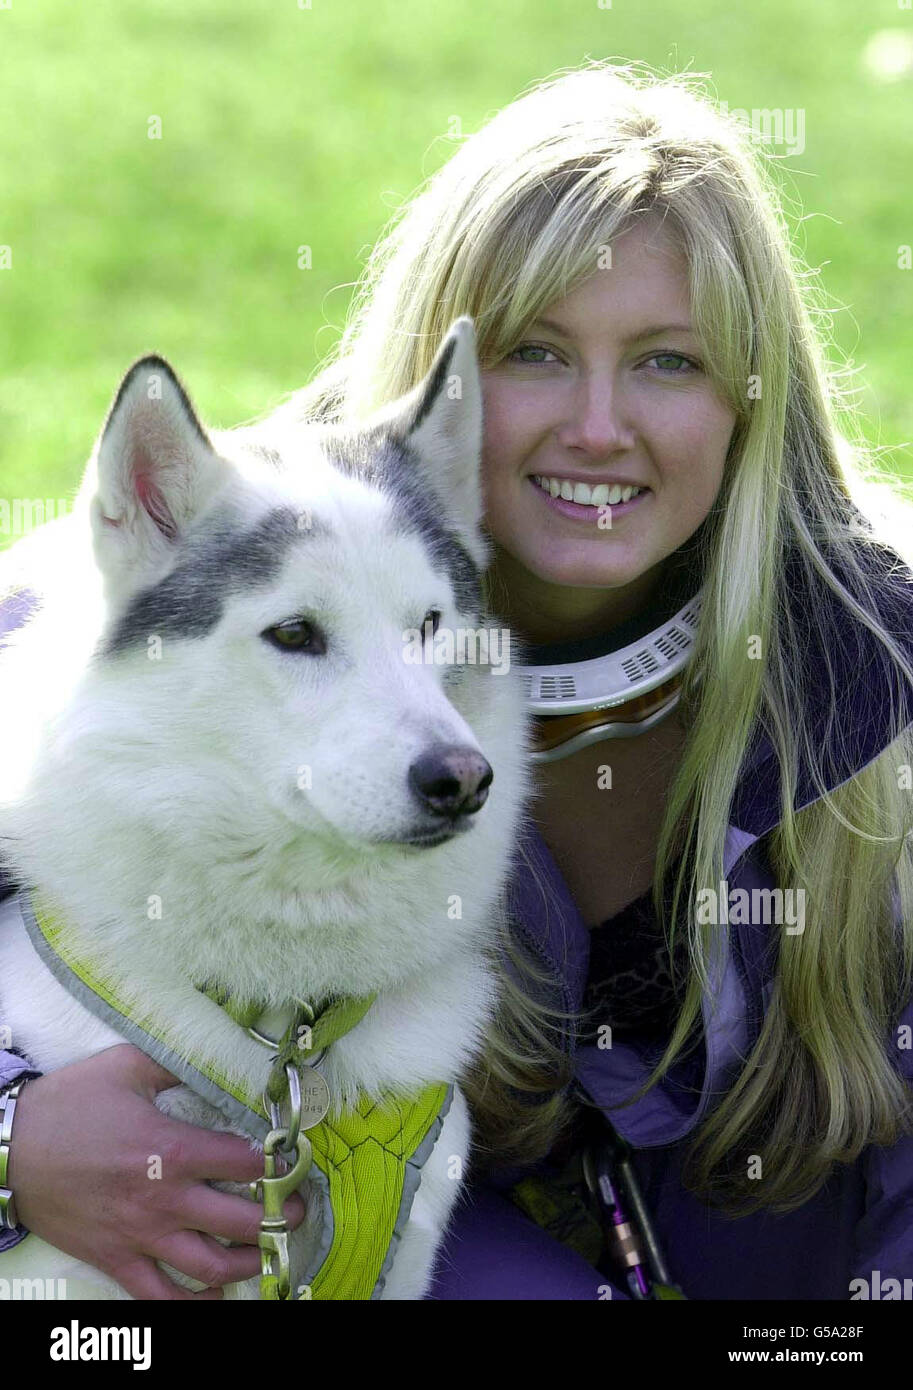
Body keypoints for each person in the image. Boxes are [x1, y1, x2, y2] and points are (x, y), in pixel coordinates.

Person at [3, 58, 913, 1300]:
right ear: (443, 377)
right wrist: (10, 1142)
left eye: (666, 362)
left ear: (751, 399)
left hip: (780, 1202)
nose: (598, 426)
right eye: (535, 353)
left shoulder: (875, 661)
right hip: (436, 1219)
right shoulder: (198, 558)